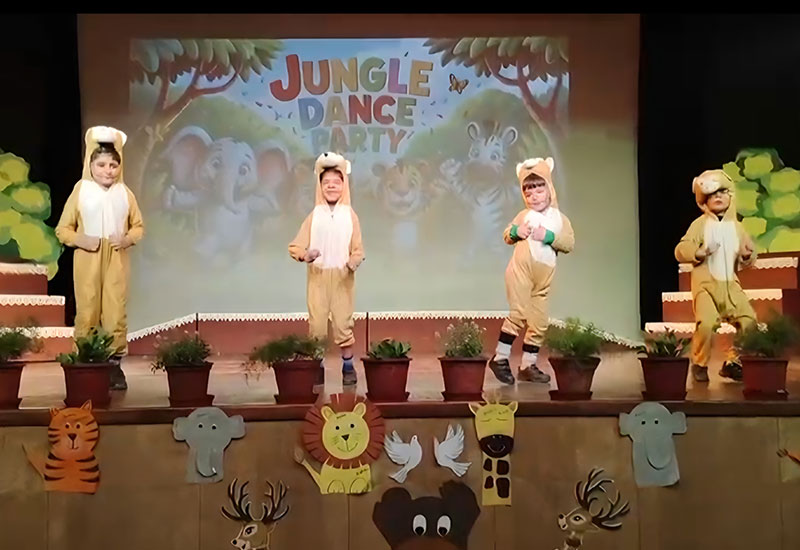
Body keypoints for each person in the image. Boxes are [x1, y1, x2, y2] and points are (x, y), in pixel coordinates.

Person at [56, 126, 144, 390]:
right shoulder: (81, 190)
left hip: (116, 258)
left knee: (116, 311)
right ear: (91, 165)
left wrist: (127, 239)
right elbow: (62, 229)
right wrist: (80, 239)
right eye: (102, 165)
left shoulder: (125, 193)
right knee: (88, 310)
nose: (108, 170)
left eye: (113, 165)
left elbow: (138, 226)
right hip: (88, 258)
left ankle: (114, 366)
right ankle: (86, 362)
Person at [488, 157, 574, 385]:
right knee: (518, 314)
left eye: (538, 190)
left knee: (539, 322)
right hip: (521, 273)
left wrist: (549, 236)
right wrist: (516, 231)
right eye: (528, 192)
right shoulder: (524, 215)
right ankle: (500, 358)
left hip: (543, 280)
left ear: (549, 189)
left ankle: (528, 365)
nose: (533, 196)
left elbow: (568, 243)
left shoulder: (560, 219)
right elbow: (507, 234)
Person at [288, 152, 364, 386]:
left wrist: (353, 262)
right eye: (326, 182)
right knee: (317, 326)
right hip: (318, 278)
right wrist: (306, 255)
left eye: (336, 182)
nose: (331, 186)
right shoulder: (314, 217)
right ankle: (318, 367)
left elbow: (358, 249)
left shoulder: (350, 216)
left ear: (344, 185)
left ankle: (348, 367)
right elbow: (295, 246)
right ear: (319, 186)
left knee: (343, 324)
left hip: (342, 279)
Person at [675, 169, 756, 382]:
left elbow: (748, 255)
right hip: (706, 286)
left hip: (730, 286)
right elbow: (681, 249)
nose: (718, 197)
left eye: (722, 192)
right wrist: (698, 252)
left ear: (731, 196)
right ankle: (700, 364)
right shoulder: (700, 225)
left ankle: (733, 362)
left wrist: (748, 255)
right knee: (706, 323)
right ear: (704, 201)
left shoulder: (737, 227)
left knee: (749, 320)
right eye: (712, 194)